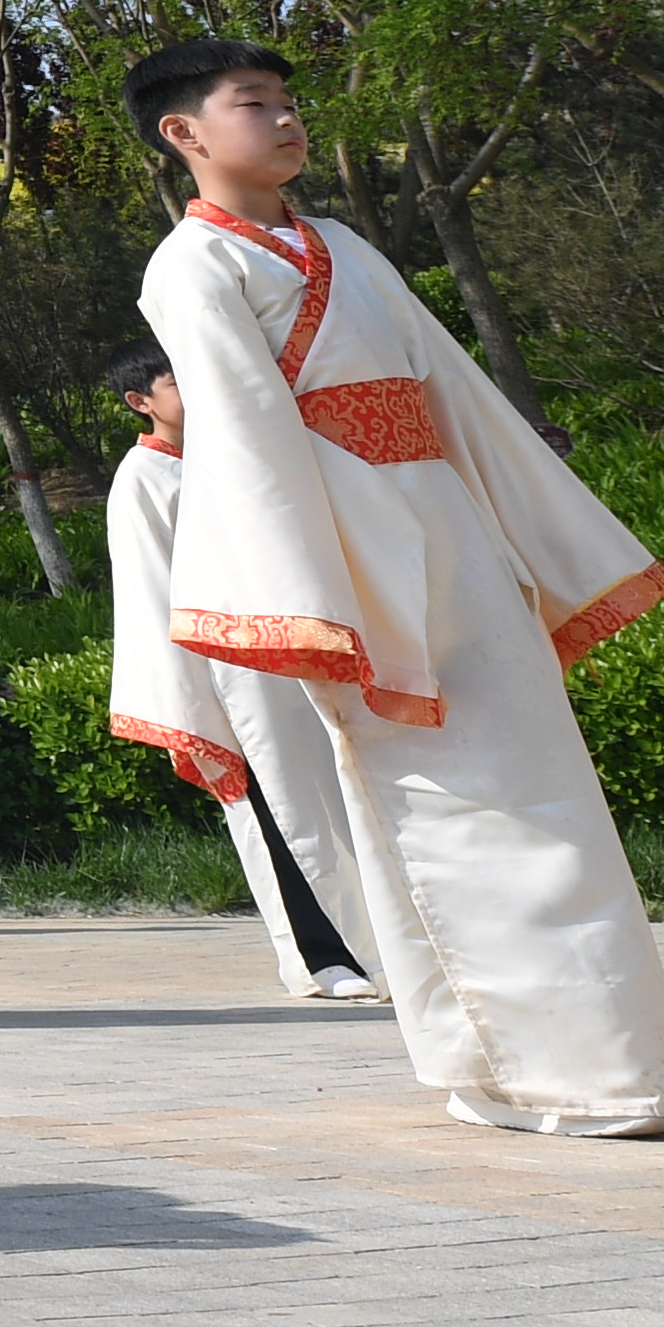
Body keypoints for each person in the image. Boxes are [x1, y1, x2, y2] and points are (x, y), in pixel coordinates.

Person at [132, 41, 664, 1136]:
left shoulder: (344, 244)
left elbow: (457, 396)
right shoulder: (190, 266)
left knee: (547, 792)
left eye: (290, 102)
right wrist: (320, 605)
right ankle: (550, 1076)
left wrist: (526, 541)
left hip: (454, 535)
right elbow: (249, 445)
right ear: (184, 132)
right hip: (360, 568)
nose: (287, 119)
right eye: (255, 104)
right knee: (450, 809)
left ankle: (571, 1065)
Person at [98, 341, 382, 1001]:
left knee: (340, 801)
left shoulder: (232, 458)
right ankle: (318, 958)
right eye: (176, 381)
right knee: (276, 809)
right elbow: (148, 594)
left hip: (296, 659)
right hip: (232, 677)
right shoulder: (142, 482)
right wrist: (190, 697)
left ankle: (377, 946)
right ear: (140, 402)